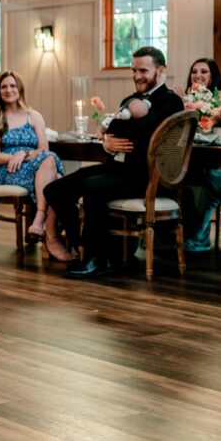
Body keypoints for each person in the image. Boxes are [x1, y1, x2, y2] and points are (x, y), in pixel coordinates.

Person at [44, 47, 184, 279]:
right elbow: (111, 128)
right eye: (134, 70)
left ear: (161, 71)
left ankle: (97, 260)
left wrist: (110, 131)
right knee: (55, 189)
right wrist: (107, 143)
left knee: (93, 188)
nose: (137, 75)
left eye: (143, 70)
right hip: (119, 168)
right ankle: (77, 243)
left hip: (147, 176)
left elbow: (139, 130)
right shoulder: (130, 99)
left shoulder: (170, 102)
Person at [0, 71, 70, 261]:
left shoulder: (33, 115)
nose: (8, 90)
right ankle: (50, 235)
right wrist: (15, 157)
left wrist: (24, 154)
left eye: (12, 86)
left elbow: (43, 149)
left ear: (20, 89)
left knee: (54, 172)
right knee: (57, 179)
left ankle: (44, 228)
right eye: (4, 86)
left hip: (34, 165)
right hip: (8, 170)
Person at [176, 58, 221, 251]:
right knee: (185, 178)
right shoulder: (186, 100)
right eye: (194, 71)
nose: (198, 75)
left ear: (213, 76)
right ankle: (178, 235)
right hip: (195, 159)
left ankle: (197, 238)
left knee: (208, 178)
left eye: (204, 71)